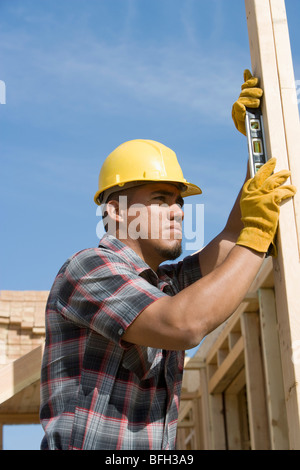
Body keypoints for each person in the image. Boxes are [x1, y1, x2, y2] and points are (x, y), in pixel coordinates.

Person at [39, 70, 296, 450]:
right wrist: (257, 236)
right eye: (161, 199)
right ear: (119, 210)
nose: (176, 211)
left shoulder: (166, 287)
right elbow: (184, 323)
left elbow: (232, 239)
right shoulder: (88, 269)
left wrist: (257, 138)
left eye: (179, 202)